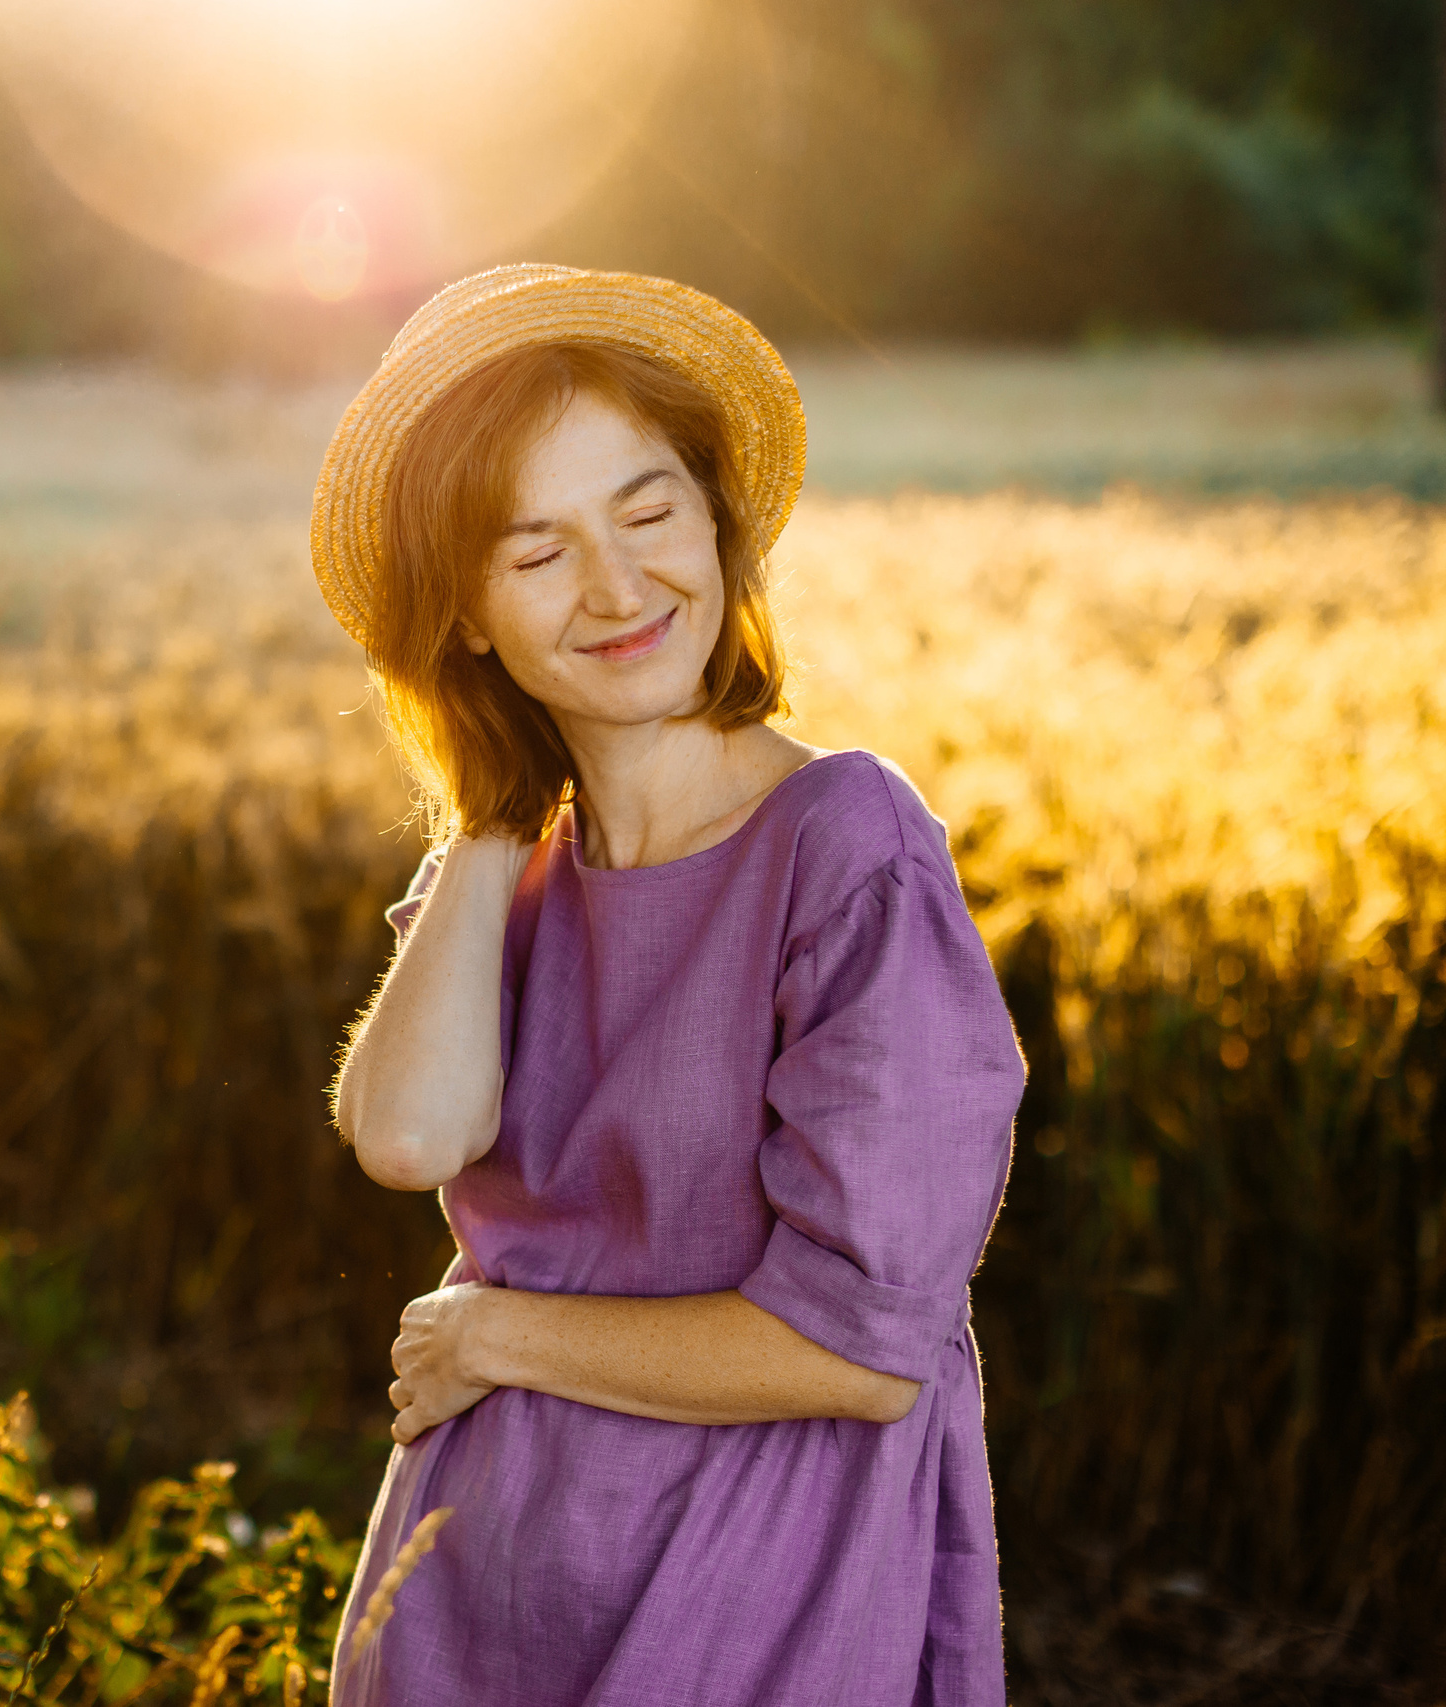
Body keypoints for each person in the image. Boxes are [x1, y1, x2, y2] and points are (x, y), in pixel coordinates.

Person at [312, 266, 1026, 1706]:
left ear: (716, 522)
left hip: (751, 1593)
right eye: (536, 552)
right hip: (474, 1593)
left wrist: (493, 1331)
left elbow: (861, 1347)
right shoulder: (507, 873)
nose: (619, 588)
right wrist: (492, 804)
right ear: (466, 614)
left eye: (648, 513)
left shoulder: (847, 848)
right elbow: (407, 1136)